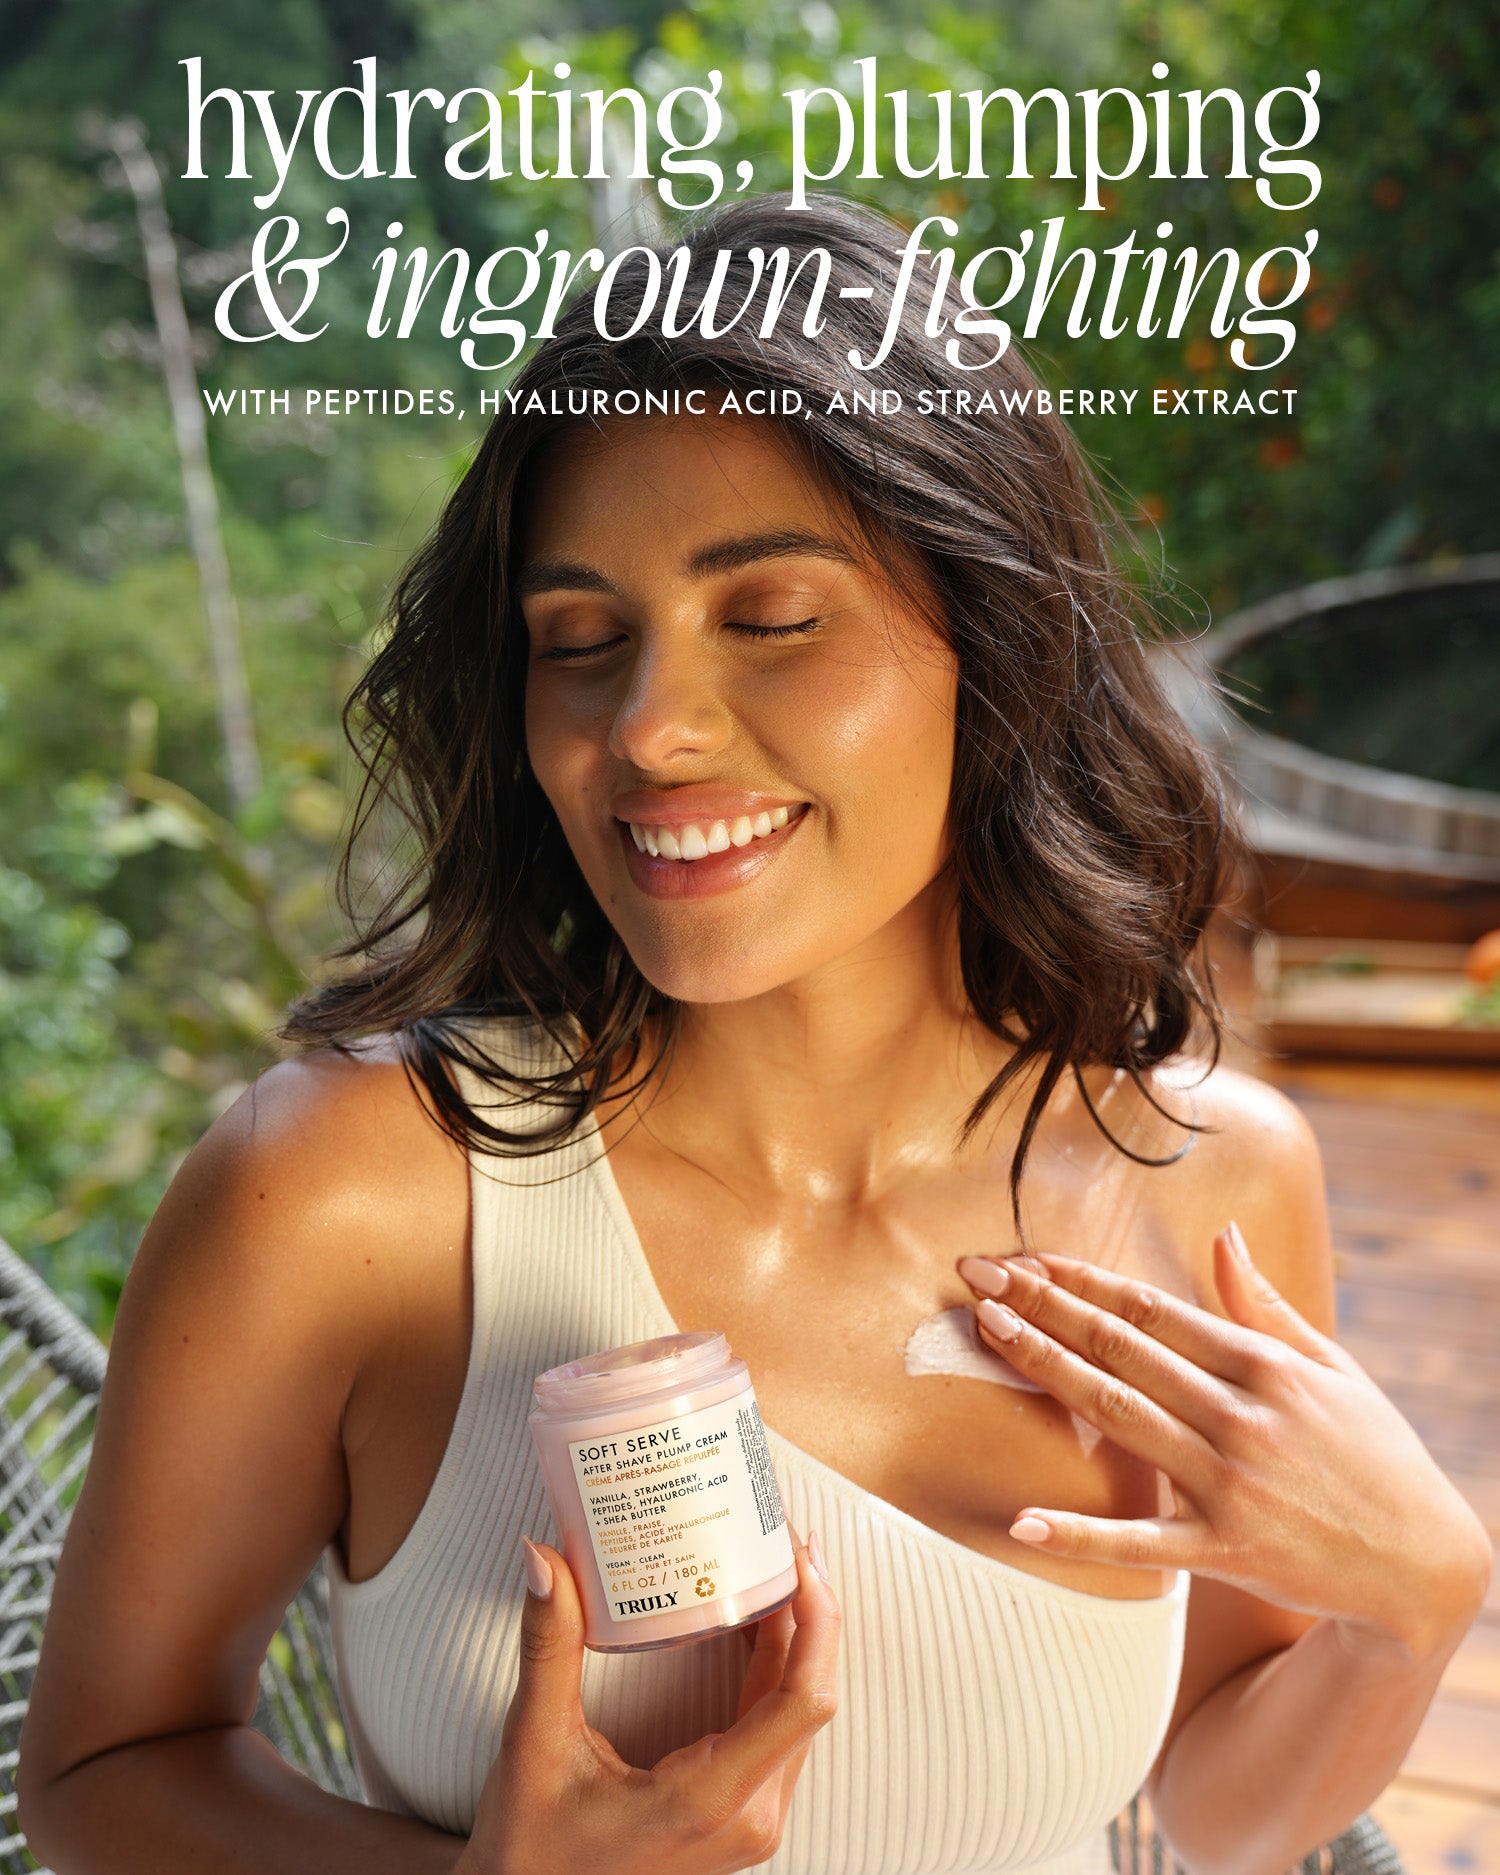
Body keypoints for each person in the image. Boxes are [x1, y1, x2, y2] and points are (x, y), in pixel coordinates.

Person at [17, 192, 1490, 1875]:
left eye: (773, 616)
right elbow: (104, 1770)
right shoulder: (345, 1194)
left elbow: (1223, 1813)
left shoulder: (1204, 1181)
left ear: (996, 638)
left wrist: (1412, 1610)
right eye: (580, 640)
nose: (648, 729)